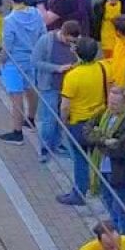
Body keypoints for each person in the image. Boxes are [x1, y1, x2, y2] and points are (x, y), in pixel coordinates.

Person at [84, 87, 125, 235]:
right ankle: (114, 227)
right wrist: (104, 140)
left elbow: (120, 149)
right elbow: (86, 130)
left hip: (119, 169)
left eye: (115, 104)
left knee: (120, 204)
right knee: (106, 197)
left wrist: (98, 137)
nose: (111, 106)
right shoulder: (104, 112)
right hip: (102, 164)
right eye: (110, 102)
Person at [59, 37, 108, 206]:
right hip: (98, 122)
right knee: (97, 157)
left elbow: (65, 106)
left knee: (80, 159)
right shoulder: (103, 68)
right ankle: (99, 188)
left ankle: (79, 192)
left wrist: (63, 121)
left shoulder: (72, 76)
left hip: (78, 123)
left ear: (77, 52)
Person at [32, 19, 81, 162]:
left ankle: (58, 144)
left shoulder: (76, 43)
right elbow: (35, 61)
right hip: (49, 86)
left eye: (74, 41)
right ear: (63, 33)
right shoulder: (46, 41)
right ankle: (45, 148)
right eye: (69, 41)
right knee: (49, 119)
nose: (70, 44)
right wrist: (57, 68)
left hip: (67, 87)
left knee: (61, 118)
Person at [0, 0, 42, 145]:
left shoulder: (9, 20)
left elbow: (7, 45)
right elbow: (42, 33)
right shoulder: (36, 14)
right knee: (31, 89)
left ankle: (17, 133)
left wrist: (1, 60)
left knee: (16, 96)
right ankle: (31, 120)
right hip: (32, 58)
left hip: (15, 61)